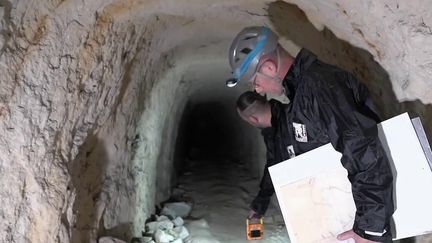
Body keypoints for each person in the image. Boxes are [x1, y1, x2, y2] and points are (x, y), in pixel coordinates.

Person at [229, 26, 394, 243]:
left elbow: (362, 150)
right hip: (344, 223)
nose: (258, 90)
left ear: (269, 67)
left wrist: (371, 229)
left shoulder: (320, 86)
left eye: (254, 82)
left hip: (364, 228)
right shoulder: (300, 97)